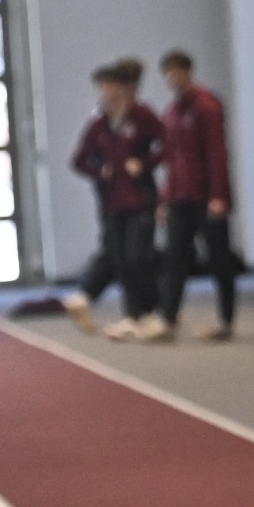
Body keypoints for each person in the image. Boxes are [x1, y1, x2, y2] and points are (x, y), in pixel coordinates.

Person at [61, 59, 165, 341]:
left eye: (111, 85)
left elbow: (165, 143)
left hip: (139, 198)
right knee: (119, 259)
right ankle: (134, 315)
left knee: (137, 255)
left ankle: (152, 312)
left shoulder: (142, 115)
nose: (106, 92)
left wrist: (144, 163)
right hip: (110, 201)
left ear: (124, 87)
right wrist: (99, 171)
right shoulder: (99, 123)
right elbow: (78, 159)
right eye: (102, 87)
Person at [157, 51, 237, 342]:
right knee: (174, 258)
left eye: (178, 73)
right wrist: (164, 198)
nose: (173, 79)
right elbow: (171, 159)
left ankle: (226, 320)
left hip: (206, 197)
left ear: (189, 72)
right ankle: (168, 318)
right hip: (179, 198)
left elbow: (217, 154)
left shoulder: (207, 106)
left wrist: (220, 196)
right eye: (169, 74)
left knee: (219, 260)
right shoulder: (172, 111)